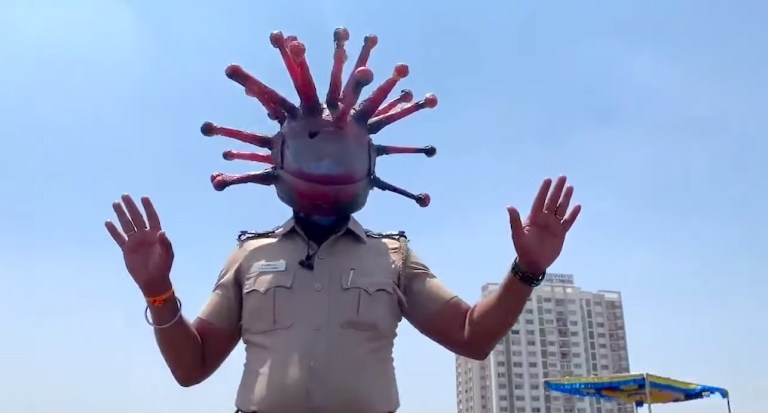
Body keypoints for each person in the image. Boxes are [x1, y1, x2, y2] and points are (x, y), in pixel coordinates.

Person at [105, 28, 582, 413]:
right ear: (278, 157)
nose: (327, 162)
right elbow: (193, 367)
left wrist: (526, 272)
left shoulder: (393, 257)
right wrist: (158, 292)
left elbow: (471, 337)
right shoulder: (250, 256)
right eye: (312, 146)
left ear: (371, 164)